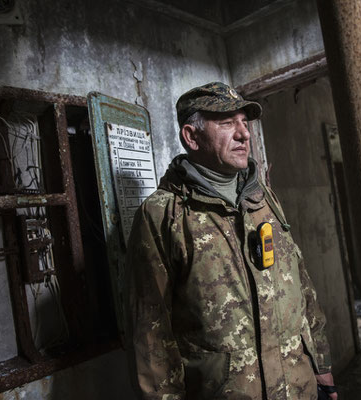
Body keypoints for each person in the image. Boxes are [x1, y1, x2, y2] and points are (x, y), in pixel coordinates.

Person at [126, 82, 337, 400]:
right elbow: (150, 331)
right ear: (191, 136)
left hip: (299, 388)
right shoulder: (162, 215)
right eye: (227, 123)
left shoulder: (261, 195)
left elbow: (300, 280)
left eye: (244, 122)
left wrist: (320, 363)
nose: (244, 134)